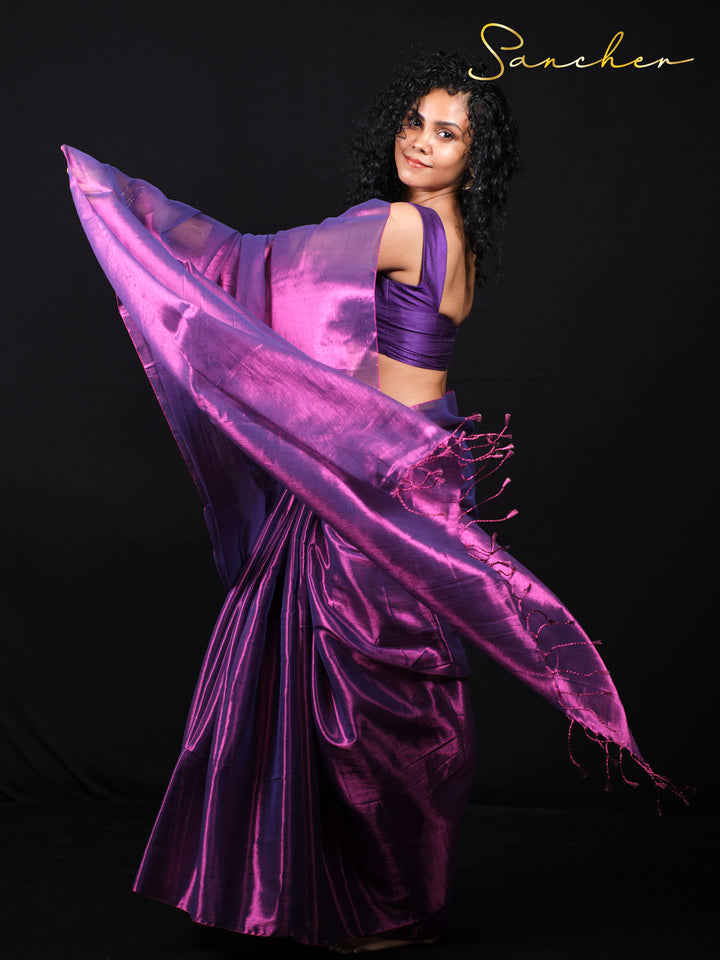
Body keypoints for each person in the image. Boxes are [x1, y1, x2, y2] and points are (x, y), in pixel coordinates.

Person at [63, 48, 684, 954]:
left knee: (353, 680)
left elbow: (255, 262)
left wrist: (130, 208)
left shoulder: (399, 226)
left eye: (449, 133)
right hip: (424, 459)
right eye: (416, 123)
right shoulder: (458, 245)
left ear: (478, 157)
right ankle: (369, 890)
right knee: (380, 675)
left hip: (377, 473)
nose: (423, 144)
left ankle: (372, 902)